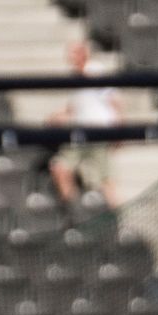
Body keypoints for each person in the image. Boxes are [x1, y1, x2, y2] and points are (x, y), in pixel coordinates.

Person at [49, 40, 123, 208]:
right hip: (78, 135)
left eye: (74, 53)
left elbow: (114, 102)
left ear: (83, 54)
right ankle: (73, 212)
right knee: (60, 167)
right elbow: (73, 108)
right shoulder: (74, 77)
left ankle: (120, 219)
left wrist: (119, 131)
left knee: (104, 180)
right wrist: (56, 117)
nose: (70, 57)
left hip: (98, 133)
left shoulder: (96, 71)